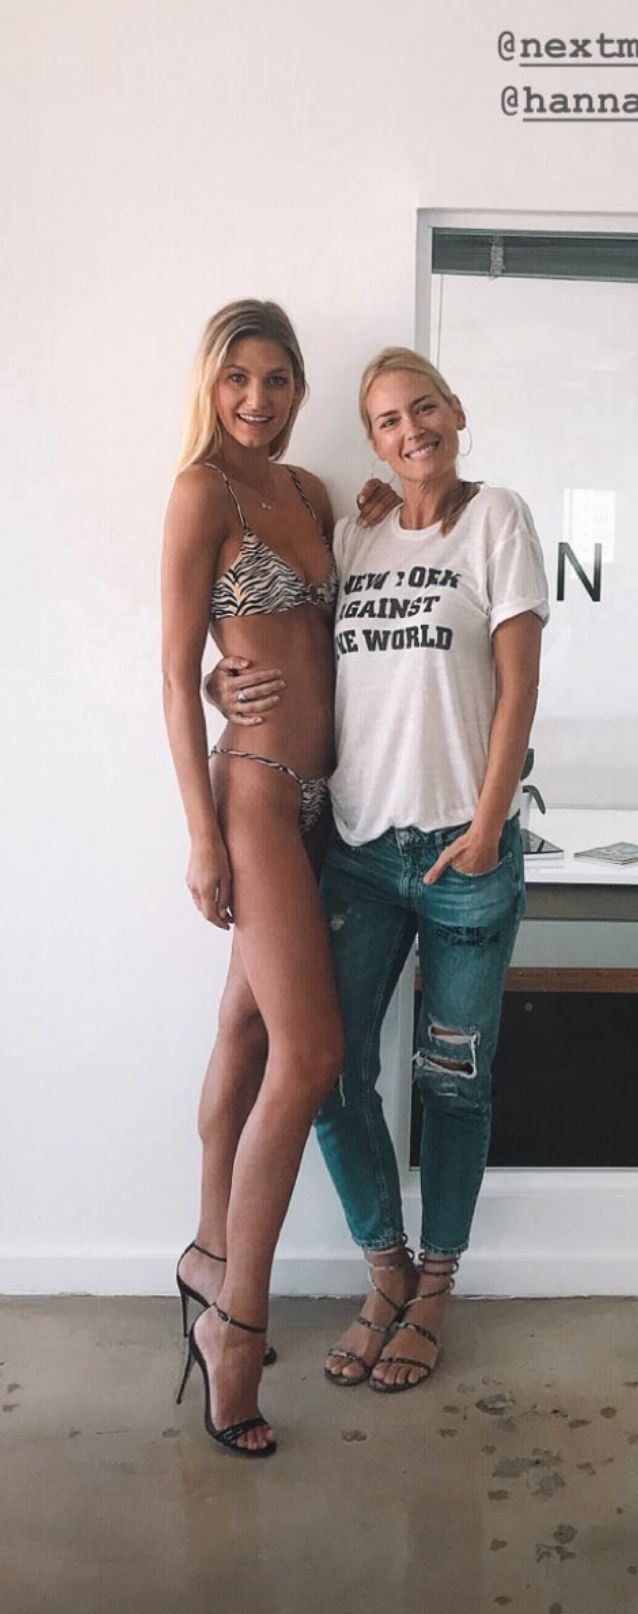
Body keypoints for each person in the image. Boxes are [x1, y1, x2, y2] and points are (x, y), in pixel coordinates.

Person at [210, 345, 549, 1396]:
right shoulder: (354, 532)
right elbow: (298, 648)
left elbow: (519, 687)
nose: (412, 431)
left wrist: (486, 826)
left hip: (463, 854)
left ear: (456, 410)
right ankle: (385, 1268)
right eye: (390, 420)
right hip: (359, 854)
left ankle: (435, 1286)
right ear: (373, 442)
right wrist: (222, 682)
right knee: (324, 1072)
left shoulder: (498, 521)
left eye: (424, 408)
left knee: (452, 1084)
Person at [161, 299, 355, 1458]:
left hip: (324, 804)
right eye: (237, 377)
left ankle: (204, 1250)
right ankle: (235, 1326)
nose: (256, 399)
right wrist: (202, 834)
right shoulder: (202, 493)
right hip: (254, 799)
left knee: (243, 1034)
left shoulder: (310, 494)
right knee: (310, 1054)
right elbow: (171, 669)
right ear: (211, 382)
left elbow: (325, 636)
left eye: (276, 378)